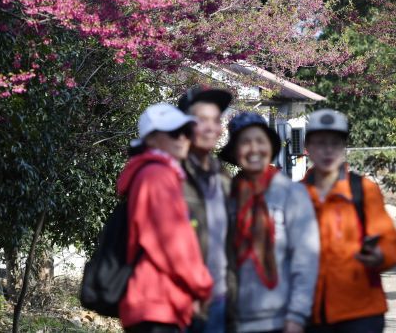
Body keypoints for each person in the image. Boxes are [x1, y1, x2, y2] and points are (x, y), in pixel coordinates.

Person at [301, 109, 396, 333]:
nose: (328, 150)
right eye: (320, 143)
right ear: (308, 147)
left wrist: (380, 256)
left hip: (361, 312)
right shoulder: (295, 194)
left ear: (344, 147)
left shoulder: (364, 190)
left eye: (335, 143)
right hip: (308, 312)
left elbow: (389, 243)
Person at [118, 103, 214, 333]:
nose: (182, 138)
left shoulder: (156, 173)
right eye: (173, 132)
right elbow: (173, 243)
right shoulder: (157, 176)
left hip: (157, 302)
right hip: (157, 303)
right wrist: (202, 285)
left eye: (186, 132)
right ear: (150, 139)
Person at [220, 112, 320, 333]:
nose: (254, 149)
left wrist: (297, 315)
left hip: (282, 319)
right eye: (245, 142)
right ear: (235, 152)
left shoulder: (292, 194)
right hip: (234, 318)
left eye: (260, 141)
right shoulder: (226, 197)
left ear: (270, 147)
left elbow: (306, 260)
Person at [178, 86, 234, 333]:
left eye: (216, 120)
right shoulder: (170, 175)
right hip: (181, 303)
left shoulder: (222, 177)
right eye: (202, 120)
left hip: (220, 300)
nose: (211, 127)